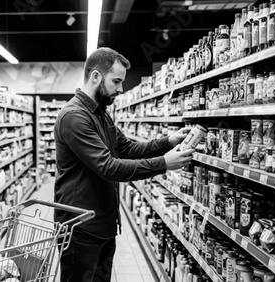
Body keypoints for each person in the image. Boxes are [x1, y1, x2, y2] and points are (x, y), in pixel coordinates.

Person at [54, 47, 195, 282]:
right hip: (80, 229)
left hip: (102, 224)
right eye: (116, 81)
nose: (120, 89)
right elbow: (109, 167)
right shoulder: (74, 117)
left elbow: (128, 149)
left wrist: (168, 141)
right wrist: (163, 164)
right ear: (96, 77)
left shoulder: (101, 114)